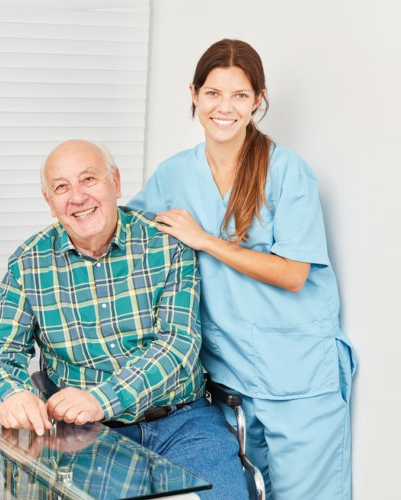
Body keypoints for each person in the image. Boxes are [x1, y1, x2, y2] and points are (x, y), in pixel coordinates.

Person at [126, 38, 357, 500]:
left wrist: (206, 241)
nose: (224, 107)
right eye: (213, 93)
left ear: (258, 100)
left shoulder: (288, 172)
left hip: (298, 376)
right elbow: (127, 236)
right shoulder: (173, 175)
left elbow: (293, 274)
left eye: (239, 95)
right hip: (229, 381)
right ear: (194, 94)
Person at [0, 140, 246, 500]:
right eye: (61, 187)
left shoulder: (167, 245)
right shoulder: (29, 263)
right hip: (90, 435)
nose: (77, 197)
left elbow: (177, 345)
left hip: (184, 422)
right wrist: (13, 394)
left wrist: (102, 399)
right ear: (49, 202)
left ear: (116, 183)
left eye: (88, 179)